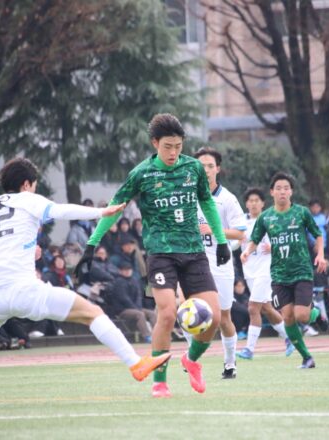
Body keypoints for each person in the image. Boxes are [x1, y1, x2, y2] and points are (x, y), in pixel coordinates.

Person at [0, 157, 170, 385]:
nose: (35, 189)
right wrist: (102, 212)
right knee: (92, 313)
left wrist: (28, 252)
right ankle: (135, 364)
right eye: (35, 185)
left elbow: (0, 245)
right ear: (26, 184)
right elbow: (60, 210)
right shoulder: (27, 199)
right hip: (23, 290)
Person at [80, 114, 229, 398]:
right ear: (155, 143)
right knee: (168, 313)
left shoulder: (193, 168)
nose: (173, 153)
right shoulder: (142, 174)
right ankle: (159, 381)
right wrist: (91, 244)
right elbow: (115, 207)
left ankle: (191, 360)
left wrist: (221, 241)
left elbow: (207, 203)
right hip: (160, 253)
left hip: (194, 252)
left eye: (178, 146)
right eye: (167, 147)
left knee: (213, 317)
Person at [240, 172, 328, 369]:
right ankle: (307, 358)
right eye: (278, 188)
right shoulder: (266, 217)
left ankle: (315, 313)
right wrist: (247, 251)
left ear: (291, 192)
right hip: (279, 275)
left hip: (301, 271)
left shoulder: (301, 212)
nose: (282, 191)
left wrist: (321, 255)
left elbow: (318, 234)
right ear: (272, 192)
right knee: (287, 317)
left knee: (301, 316)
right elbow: (255, 239)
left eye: (286, 188)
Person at [192, 146, 247, 379]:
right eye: (201, 166)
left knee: (224, 318)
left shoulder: (227, 199)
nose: (205, 170)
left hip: (221, 264)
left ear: (218, 169)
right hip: (193, 263)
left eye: (210, 166)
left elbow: (240, 233)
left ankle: (230, 363)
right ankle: (192, 360)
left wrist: (214, 230)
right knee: (187, 310)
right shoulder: (187, 196)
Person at [237, 187, 295, 360]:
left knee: (253, 307)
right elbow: (233, 244)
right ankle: (290, 338)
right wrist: (237, 241)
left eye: (257, 200)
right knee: (266, 308)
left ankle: (249, 349)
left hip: (266, 269)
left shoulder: (271, 219)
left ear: (263, 203)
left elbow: (286, 241)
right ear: (246, 204)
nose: (254, 203)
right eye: (251, 201)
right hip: (249, 271)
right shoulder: (241, 222)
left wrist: (274, 247)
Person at [103, 261, 156, 343]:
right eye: (125, 270)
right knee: (140, 314)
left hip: (136, 308)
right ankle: (147, 336)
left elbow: (139, 296)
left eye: (129, 269)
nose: (127, 271)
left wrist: (138, 307)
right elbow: (124, 298)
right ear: (120, 271)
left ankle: (157, 335)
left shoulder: (134, 280)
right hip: (122, 310)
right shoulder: (118, 282)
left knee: (152, 313)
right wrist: (136, 308)